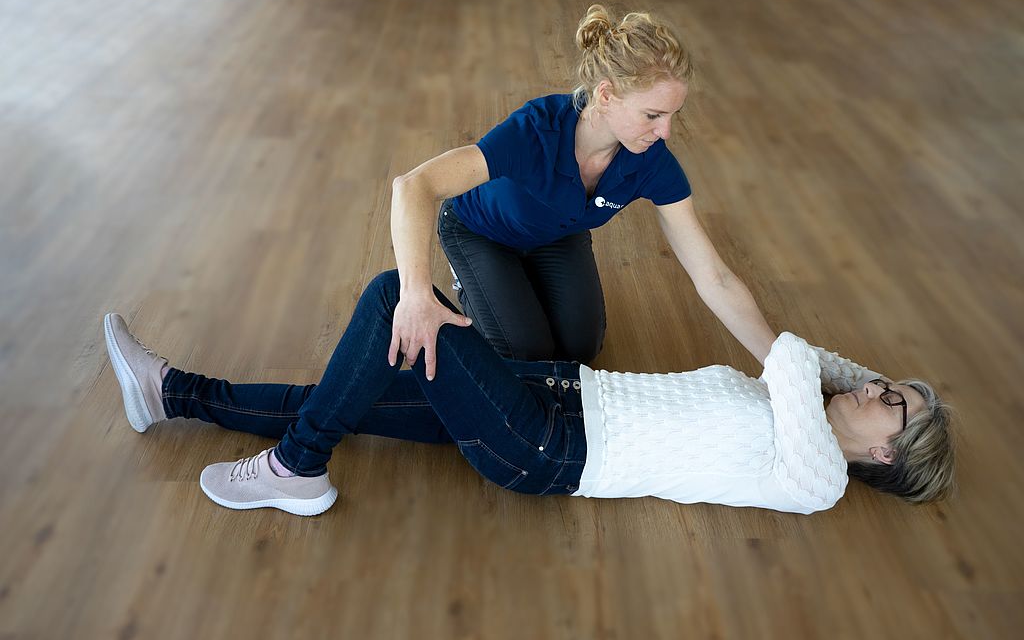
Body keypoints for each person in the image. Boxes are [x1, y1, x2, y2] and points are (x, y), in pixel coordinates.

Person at [103, 271, 956, 517]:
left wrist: (836, 377)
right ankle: (171, 392)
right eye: (885, 384)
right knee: (349, 388)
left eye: (892, 403)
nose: (872, 386)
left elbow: (797, 358)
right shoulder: (795, 411)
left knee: (397, 297)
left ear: (887, 453)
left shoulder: (818, 480)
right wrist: (868, 382)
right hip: (553, 392)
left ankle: (297, 467)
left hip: (546, 448)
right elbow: (810, 365)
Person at [390, 4, 777, 379]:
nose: (665, 132)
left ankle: (523, 283)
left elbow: (715, 277)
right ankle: (472, 280)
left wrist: (780, 365)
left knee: (581, 348)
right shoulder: (534, 132)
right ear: (606, 96)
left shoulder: (651, 161)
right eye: (653, 115)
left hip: (555, 234)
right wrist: (415, 294)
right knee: (528, 352)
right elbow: (413, 186)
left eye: (673, 115)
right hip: (481, 232)